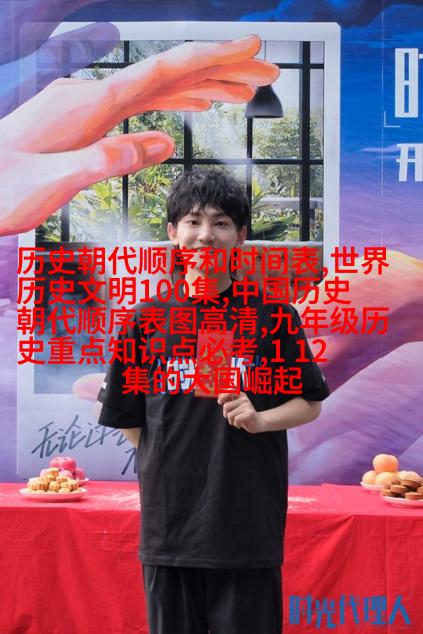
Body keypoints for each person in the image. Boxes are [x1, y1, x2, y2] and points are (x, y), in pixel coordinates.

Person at [97, 168, 329, 634]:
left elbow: (310, 402)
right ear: (173, 232)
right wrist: (171, 458)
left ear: (240, 235)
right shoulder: (144, 319)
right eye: (193, 221)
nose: (206, 235)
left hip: (246, 525)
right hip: (170, 525)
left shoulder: (273, 315)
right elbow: (129, 416)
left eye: (221, 222)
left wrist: (260, 420)